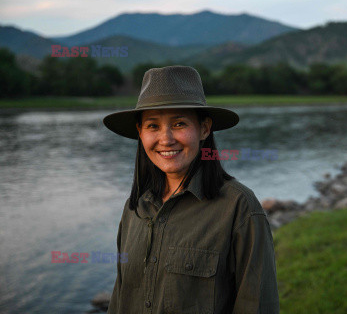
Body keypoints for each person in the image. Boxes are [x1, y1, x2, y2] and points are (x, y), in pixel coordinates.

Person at [102, 65, 280, 313]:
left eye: (179, 123)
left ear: (204, 129)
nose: (166, 139)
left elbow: (258, 306)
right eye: (153, 126)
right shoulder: (135, 208)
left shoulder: (239, 207)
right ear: (140, 133)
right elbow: (120, 298)